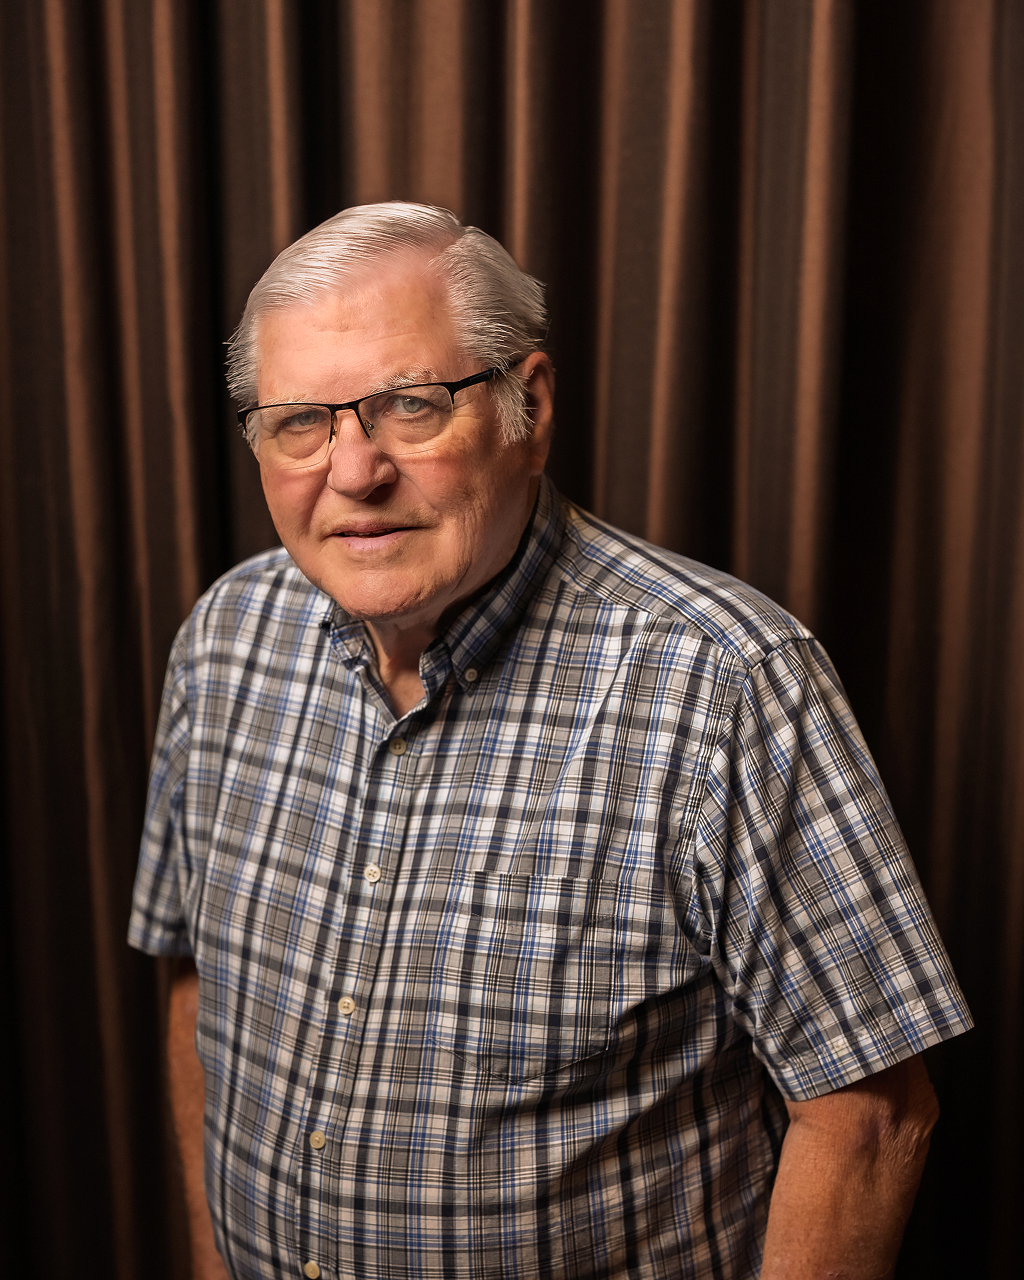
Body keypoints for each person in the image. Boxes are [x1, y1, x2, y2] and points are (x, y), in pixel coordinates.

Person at [129, 202, 971, 1280]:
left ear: (528, 404)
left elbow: (870, 1115)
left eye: (409, 405)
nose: (353, 471)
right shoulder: (223, 640)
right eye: (301, 421)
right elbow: (197, 982)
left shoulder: (724, 683)